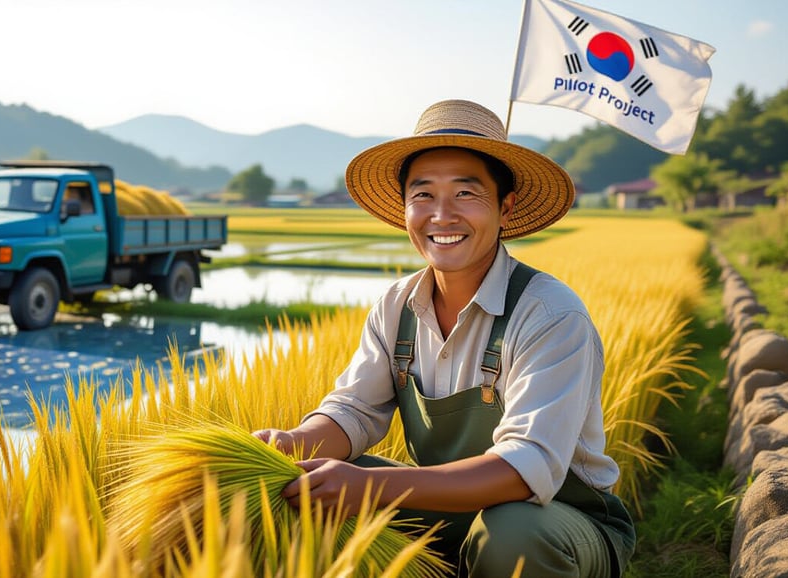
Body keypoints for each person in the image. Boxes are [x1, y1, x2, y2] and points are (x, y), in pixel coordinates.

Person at [253, 100, 635, 578]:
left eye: (466, 193)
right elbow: (352, 411)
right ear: (405, 208)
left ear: (505, 206)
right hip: (445, 508)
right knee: (302, 491)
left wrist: (370, 488)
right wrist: (290, 443)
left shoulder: (550, 314)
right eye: (424, 195)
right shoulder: (397, 306)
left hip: (558, 523)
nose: (442, 215)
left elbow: (525, 467)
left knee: (512, 533)